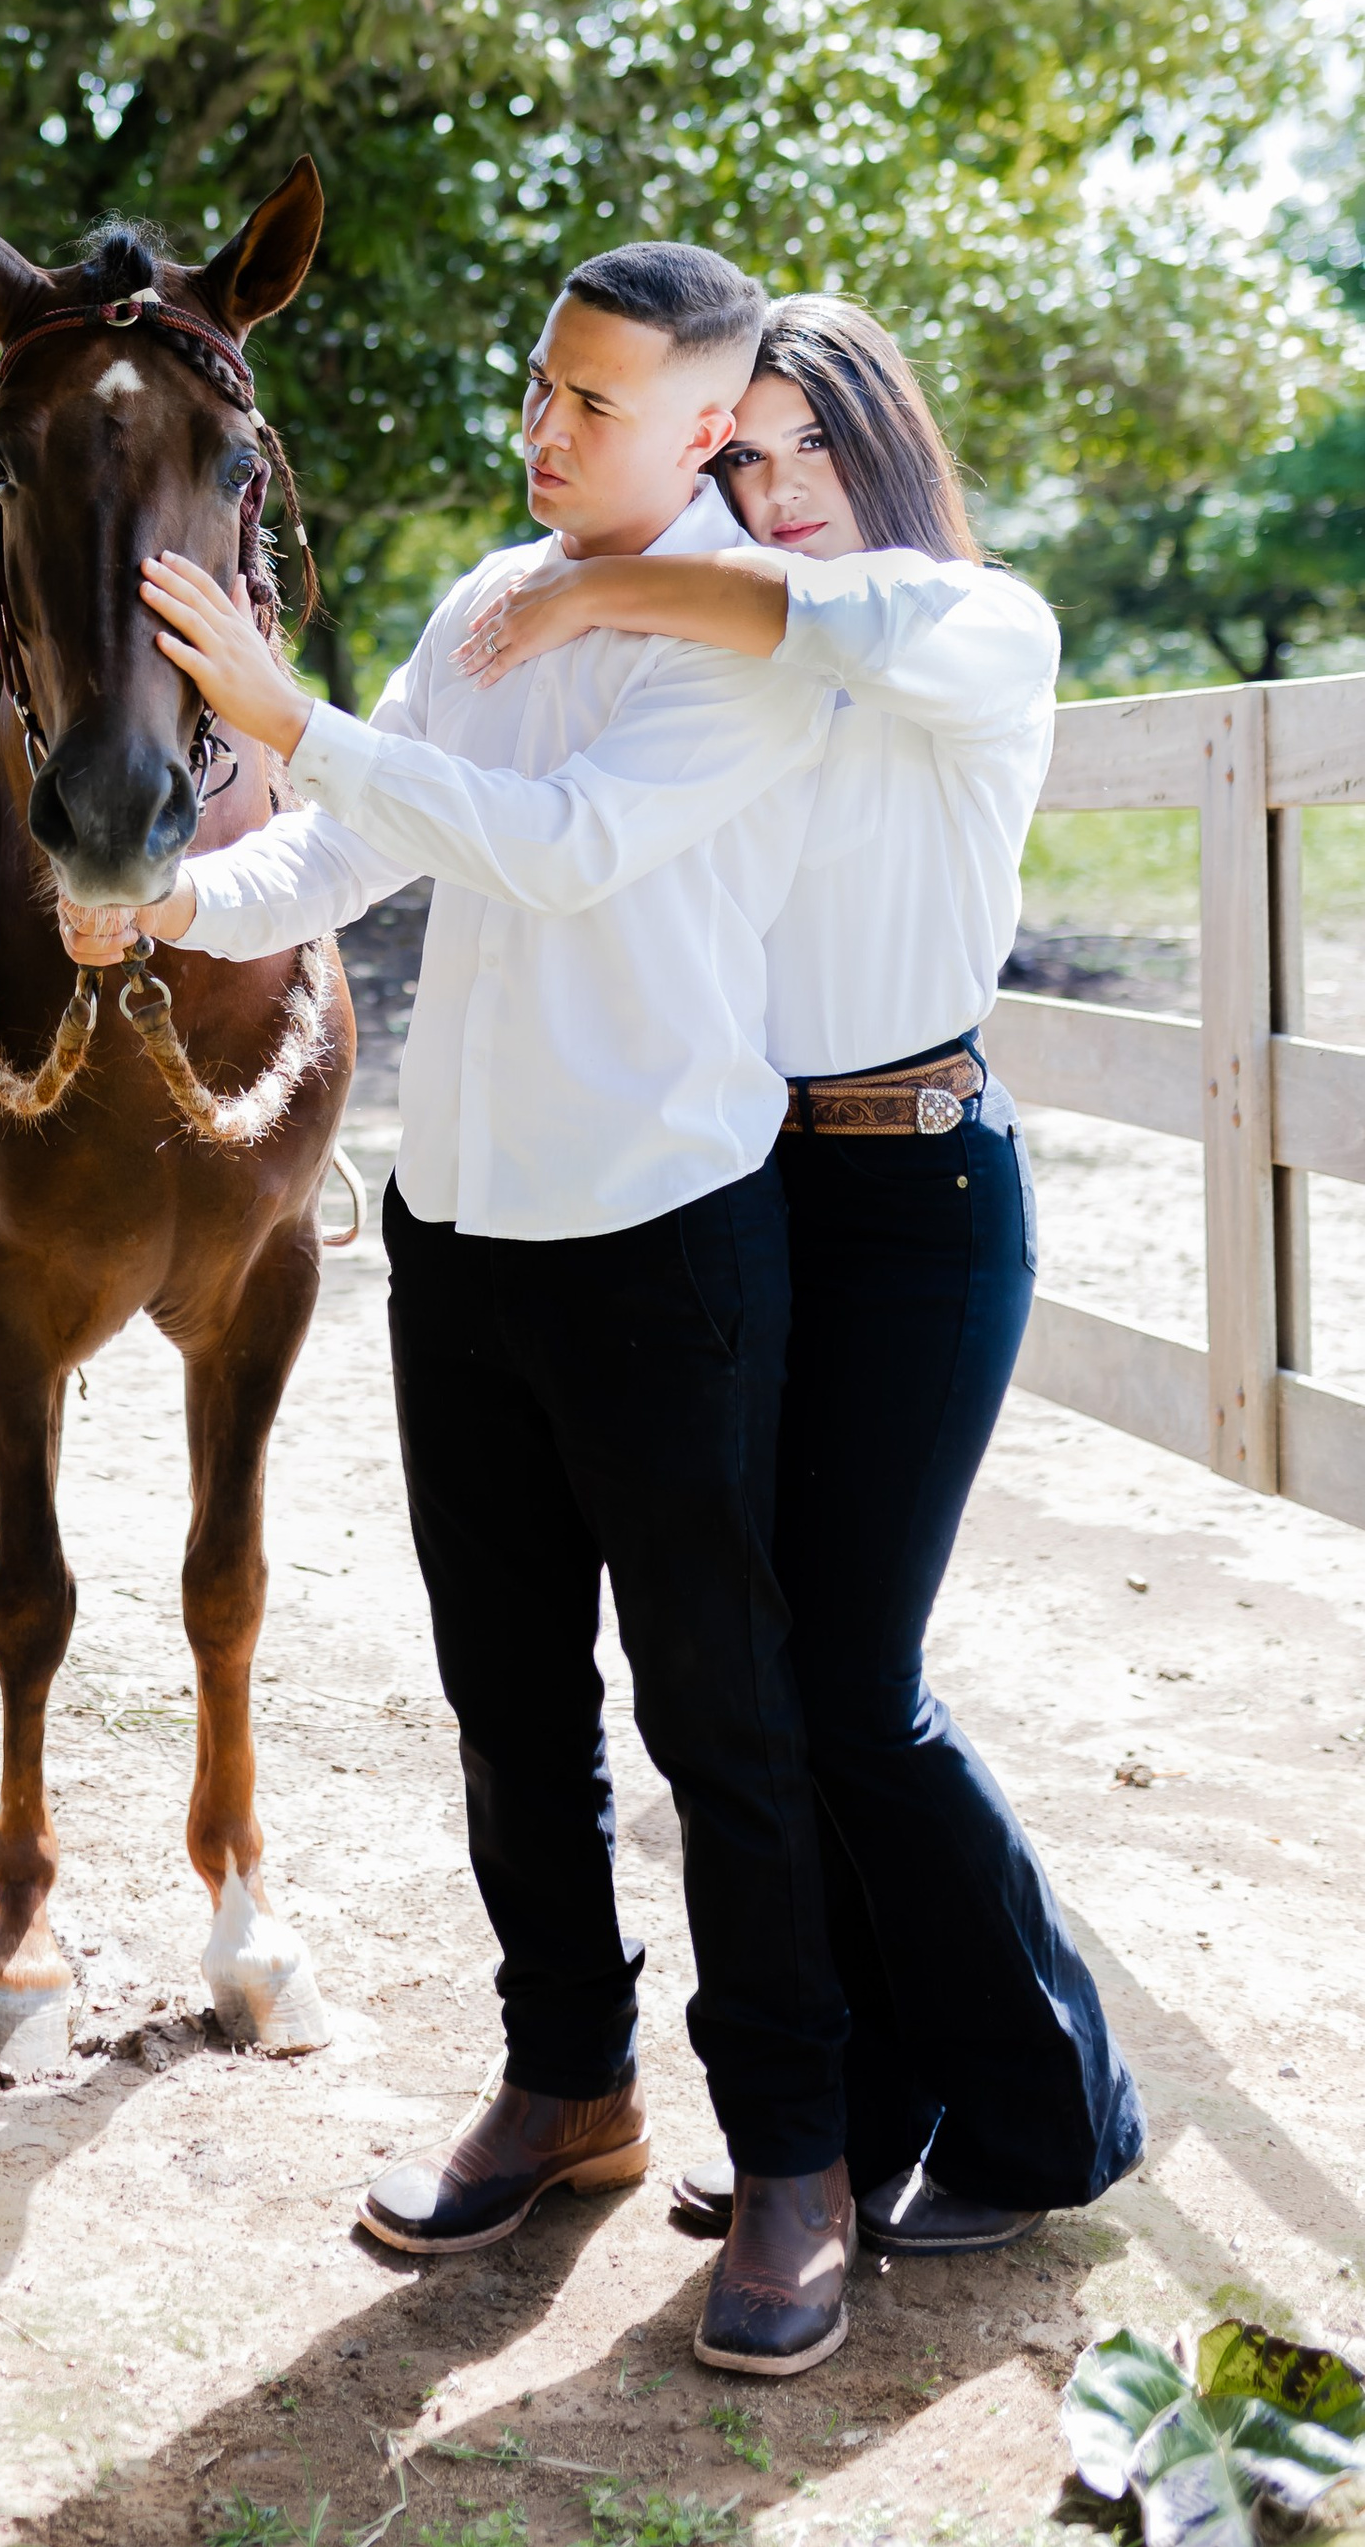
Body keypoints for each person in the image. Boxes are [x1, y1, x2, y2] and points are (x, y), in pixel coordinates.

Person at [114, 242, 864, 2377]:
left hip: (667, 1236)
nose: (540, 432)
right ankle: (568, 2083)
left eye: (593, 406)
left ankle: (792, 2149)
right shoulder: (476, 599)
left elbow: (549, 849)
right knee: (506, 1697)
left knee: (722, 1719)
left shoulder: (745, 633)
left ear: (706, 429)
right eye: (535, 384)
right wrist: (168, 896)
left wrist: (290, 713)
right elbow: (338, 856)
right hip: (461, 1240)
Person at [450, 293, 1145, 2255]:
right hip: (749, 1192)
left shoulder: (963, 623)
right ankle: (846, 2109)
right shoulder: (739, 665)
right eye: (736, 459)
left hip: (917, 1198)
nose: (768, 489)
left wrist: (592, 596)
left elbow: (812, 618)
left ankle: (1042, 2108)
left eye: (799, 446)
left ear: (879, 438)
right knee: (762, 1677)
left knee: (854, 1683)